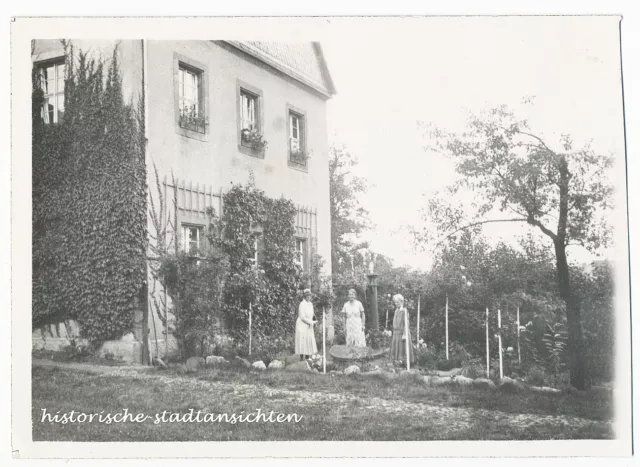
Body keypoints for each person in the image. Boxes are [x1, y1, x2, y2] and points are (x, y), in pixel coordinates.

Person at [388, 294, 415, 364]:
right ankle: (396, 362)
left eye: (397, 302)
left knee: (402, 348)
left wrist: (404, 334)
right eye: (395, 302)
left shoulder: (404, 311)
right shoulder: (396, 311)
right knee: (395, 348)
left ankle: (403, 362)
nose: (396, 304)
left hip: (402, 333)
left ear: (401, 301)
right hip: (396, 333)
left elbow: (406, 323)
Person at [295, 288, 317, 360]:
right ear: (304, 296)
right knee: (302, 340)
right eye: (307, 296)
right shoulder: (302, 304)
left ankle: (307, 357)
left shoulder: (310, 304)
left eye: (310, 296)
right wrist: (310, 322)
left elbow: (312, 313)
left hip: (309, 324)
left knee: (308, 340)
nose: (309, 297)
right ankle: (301, 358)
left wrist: (314, 319)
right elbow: (302, 317)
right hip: (302, 325)